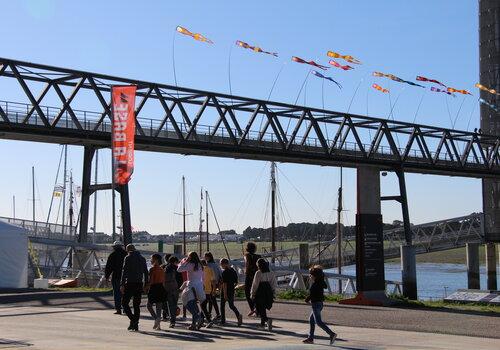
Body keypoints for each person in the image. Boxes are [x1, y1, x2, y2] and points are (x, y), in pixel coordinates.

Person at [302, 265, 337, 345]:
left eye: (311, 275)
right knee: (311, 320)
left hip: (316, 304)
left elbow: (312, 295)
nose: (310, 276)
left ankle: (332, 334)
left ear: (315, 276)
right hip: (320, 304)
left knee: (318, 322)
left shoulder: (315, 285)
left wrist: (306, 300)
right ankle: (310, 338)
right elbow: (319, 291)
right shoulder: (320, 282)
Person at [120, 244, 148, 332]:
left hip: (130, 283)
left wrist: (122, 284)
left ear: (128, 250)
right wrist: (146, 283)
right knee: (136, 305)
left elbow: (124, 272)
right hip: (139, 284)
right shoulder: (142, 259)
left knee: (124, 303)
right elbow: (146, 272)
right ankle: (135, 324)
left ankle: (133, 320)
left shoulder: (127, 258)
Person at [178, 251, 206, 330]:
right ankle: (194, 324)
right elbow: (203, 276)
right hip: (199, 285)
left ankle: (197, 318)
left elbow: (179, 269)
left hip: (191, 285)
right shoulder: (200, 265)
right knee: (196, 305)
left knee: (186, 301)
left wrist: (183, 262)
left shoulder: (190, 265)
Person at [250, 258, 277, 331]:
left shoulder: (258, 273)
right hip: (268, 291)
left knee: (260, 307)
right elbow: (273, 283)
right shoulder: (271, 272)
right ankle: (262, 324)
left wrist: (252, 293)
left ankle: (266, 320)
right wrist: (273, 292)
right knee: (263, 307)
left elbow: (255, 284)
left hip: (260, 291)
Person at [104, 241, 127, 314]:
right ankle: (125, 309)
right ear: (121, 246)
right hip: (126, 278)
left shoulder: (112, 255)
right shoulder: (126, 254)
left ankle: (118, 309)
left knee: (117, 293)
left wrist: (107, 276)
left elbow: (109, 267)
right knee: (125, 294)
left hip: (116, 277)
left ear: (114, 247)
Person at [146, 254, 166, 330]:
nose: (151, 260)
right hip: (161, 287)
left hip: (154, 287)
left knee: (149, 305)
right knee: (159, 307)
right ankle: (158, 325)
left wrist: (146, 287)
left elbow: (151, 281)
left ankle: (156, 318)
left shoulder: (152, 269)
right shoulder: (162, 269)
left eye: (152, 259)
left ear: (156, 260)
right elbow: (163, 281)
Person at [220, 258, 243, 326]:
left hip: (225, 290)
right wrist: (233, 287)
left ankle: (223, 321)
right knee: (231, 305)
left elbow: (224, 284)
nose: (221, 266)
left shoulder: (224, 272)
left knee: (222, 306)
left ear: (225, 264)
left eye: (221, 264)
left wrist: (225, 294)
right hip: (231, 290)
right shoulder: (233, 271)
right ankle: (238, 315)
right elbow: (236, 282)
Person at [163, 255, 183, 328]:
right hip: (176, 289)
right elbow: (181, 279)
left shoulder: (166, 268)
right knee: (174, 304)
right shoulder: (178, 269)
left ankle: (172, 321)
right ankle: (173, 318)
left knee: (170, 305)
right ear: (175, 262)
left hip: (168, 289)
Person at [243, 242, 261, 316]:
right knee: (256, 293)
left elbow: (247, 264)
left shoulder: (247, 255)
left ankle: (253, 309)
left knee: (248, 293)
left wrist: (245, 271)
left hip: (249, 276)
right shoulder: (258, 256)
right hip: (257, 276)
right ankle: (257, 309)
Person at [204, 252, 221, 321]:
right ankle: (210, 313)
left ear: (209, 257)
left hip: (210, 284)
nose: (205, 258)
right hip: (215, 283)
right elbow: (220, 274)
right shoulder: (216, 264)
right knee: (211, 299)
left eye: (206, 256)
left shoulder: (208, 265)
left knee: (211, 300)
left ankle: (217, 314)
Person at [200, 259, 216, 325]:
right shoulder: (210, 270)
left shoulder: (200, 270)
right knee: (203, 305)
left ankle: (208, 320)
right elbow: (213, 281)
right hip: (208, 290)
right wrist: (214, 290)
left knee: (202, 305)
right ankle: (201, 321)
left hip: (201, 290)